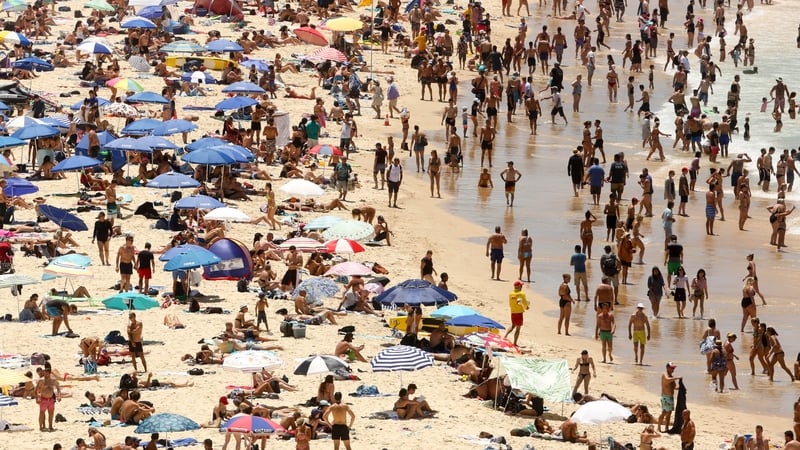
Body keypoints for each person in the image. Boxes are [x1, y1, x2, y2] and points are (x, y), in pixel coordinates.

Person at [35, 364, 61, 432]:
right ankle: (41, 427)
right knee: (42, 413)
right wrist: (37, 398)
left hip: (51, 399)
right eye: (44, 373)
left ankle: (50, 426)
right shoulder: (41, 380)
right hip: (43, 399)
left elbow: (58, 388)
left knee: (51, 414)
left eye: (46, 373)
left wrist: (59, 396)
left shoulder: (53, 380)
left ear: (49, 373)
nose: (45, 375)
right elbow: (36, 390)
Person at [658, 362, 681, 433]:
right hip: (665, 397)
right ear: (667, 367)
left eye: (673, 368)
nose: (673, 369)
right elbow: (667, 380)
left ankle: (666, 427)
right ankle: (658, 427)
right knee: (664, 412)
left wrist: (680, 388)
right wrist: (676, 378)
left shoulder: (671, 377)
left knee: (669, 413)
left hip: (670, 397)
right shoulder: (665, 375)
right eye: (672, 368)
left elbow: (674, 387)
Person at [504, 280, 528, 346]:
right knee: (518, 328)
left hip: (513, 312)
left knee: (513, 325)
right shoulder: (521, 294)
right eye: (521, 286)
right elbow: (525, 303)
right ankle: (515, 343)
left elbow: (517, 301)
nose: (522, 287)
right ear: (519, 286)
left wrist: (520, 303)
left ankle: (505, 336)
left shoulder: (511, 293)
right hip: (519, 313)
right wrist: (526, 307)